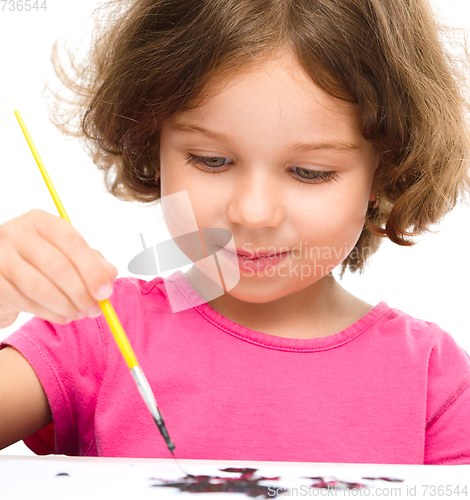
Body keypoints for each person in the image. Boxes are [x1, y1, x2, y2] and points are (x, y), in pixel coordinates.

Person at [0, 0, 470, 464]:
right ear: (150, 143)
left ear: (386, 170)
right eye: (212, 161)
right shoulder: (99, 336)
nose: (252, 212)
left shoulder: (432, 379)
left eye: (309, 171)